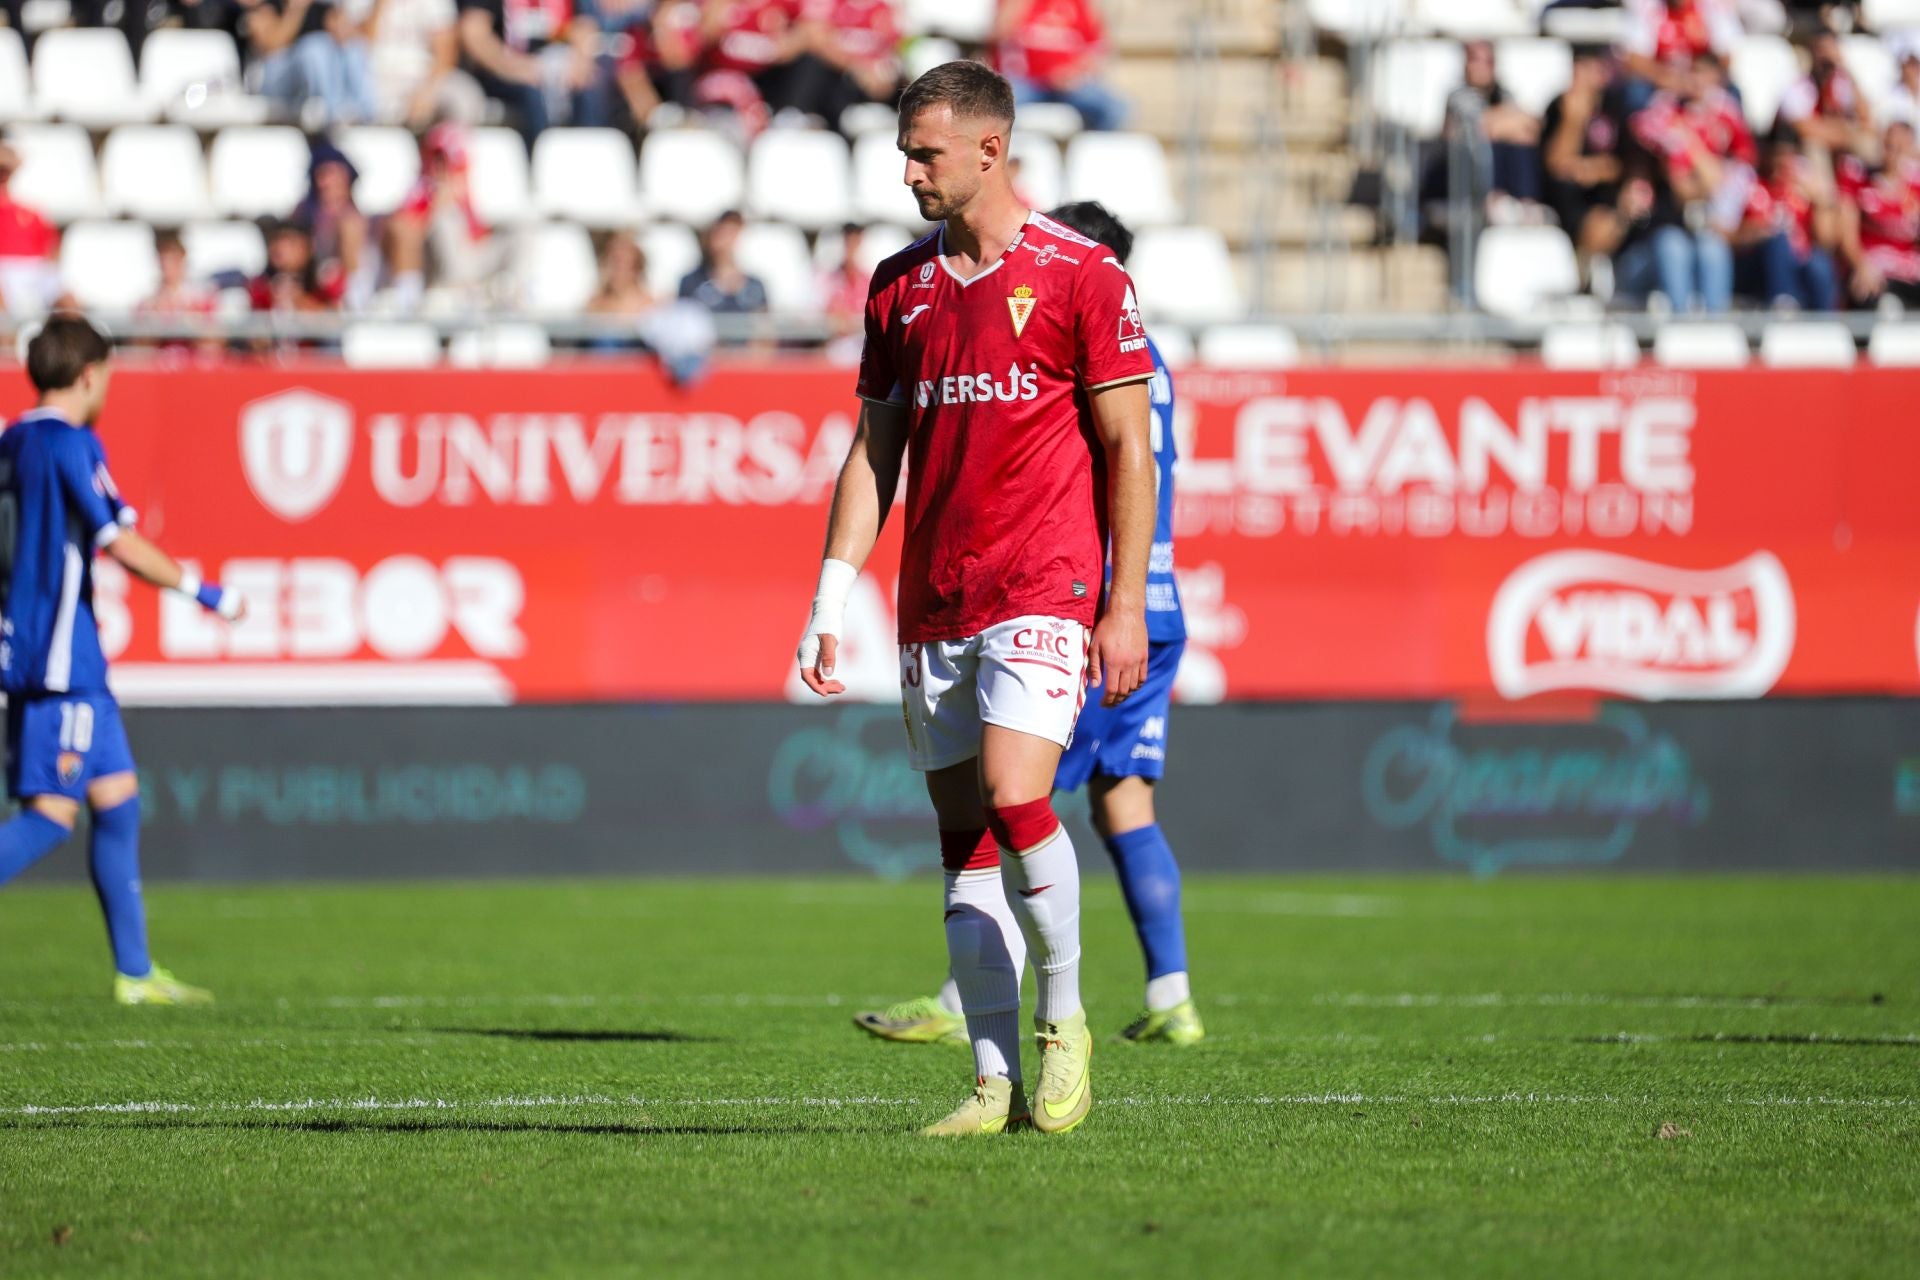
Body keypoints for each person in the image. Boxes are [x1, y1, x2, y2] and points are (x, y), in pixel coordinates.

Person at [796, 61, 1155, 1137]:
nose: (909, 173)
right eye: (905, 153)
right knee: (963, 838)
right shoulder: (898, 286)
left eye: (926, 154)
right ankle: (993, 1082)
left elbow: (1128, 448)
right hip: (935, 598)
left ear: (991, 151)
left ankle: (1064, 1019)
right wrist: (828, 598)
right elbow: (875, 454)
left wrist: (1122, 605)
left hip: (1042, 584)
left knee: (1013, 793)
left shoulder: (1083, 276)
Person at [853, 198, 1202, 1054]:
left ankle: (966, 1000)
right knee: (1122, 803)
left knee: (1012, 803)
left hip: (1079, 601)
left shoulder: (1072, 343)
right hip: (1154, 604)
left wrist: (1105, 601)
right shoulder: (1148, 361)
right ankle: (1173, 995)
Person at [0, 315, 245, 1004]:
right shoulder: (70, 443)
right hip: (59, 661)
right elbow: (121, 542)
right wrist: (205, 592)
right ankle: (134, 973)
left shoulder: (13, 439)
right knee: (50, 816)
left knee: (118, 801)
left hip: (62, 653)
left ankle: (135, 974)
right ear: (89, 375)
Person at [457, 0, 615, 144]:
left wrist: (579, 62)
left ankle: (585, 157)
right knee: (532, 95)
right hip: (506, 72)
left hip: (556, 66)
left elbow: (584, 24)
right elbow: (474, 31)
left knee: (588, 89)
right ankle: (539, 159)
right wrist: (514, 68)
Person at [1541, 45, 1627, 272]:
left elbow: (1621, 163)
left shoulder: (1615, 105)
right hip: (1567, 200)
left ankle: (1590, 270)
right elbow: (1557, 164)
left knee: (1608, 220)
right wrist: (1574, 119)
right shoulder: (1559, 106)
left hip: (1606, 197)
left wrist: (1591, 169)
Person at [992, 0, 1127, 132]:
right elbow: (998, 35)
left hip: (1071, 85)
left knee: (1115, 108)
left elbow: (1098, 49)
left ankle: (1086, 145)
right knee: (997, 106)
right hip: (1027, 82)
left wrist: (1072, 73)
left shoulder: (1079, 4)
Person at [1836, 119, 1920, 308]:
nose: (1893, 152)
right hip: (1873, 265)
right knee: (1867, 292)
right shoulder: (1860, 178)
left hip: (1908, 269)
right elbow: (1847, 237)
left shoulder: (1916, 186)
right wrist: (1861, 266)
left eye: (1900, 147)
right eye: (1889, 145)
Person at [677, 208, 769, 333]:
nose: (725, 241)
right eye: (721, 233)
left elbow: (764, 332)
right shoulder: (691, 282)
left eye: (732, 233)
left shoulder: (755, 286)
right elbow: (683, 330)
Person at [0, 139, 61, 319]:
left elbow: (51, 247)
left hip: (33, 271)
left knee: (68, 300)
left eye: (5, 170)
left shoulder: (32, 211)